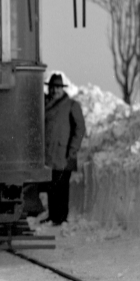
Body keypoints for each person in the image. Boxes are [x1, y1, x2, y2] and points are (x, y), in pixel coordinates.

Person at [43, 72, 86, 225]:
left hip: (64, 154)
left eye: (58, 88)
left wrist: (72, 149)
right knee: (51, 186)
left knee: (61, 187)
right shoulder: (45, 104)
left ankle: (61, 218)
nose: (55, 91)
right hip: (49, 154)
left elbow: (79, 128)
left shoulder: (71, 105)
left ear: (63, 89)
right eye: (53, 87)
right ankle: (53, 215)